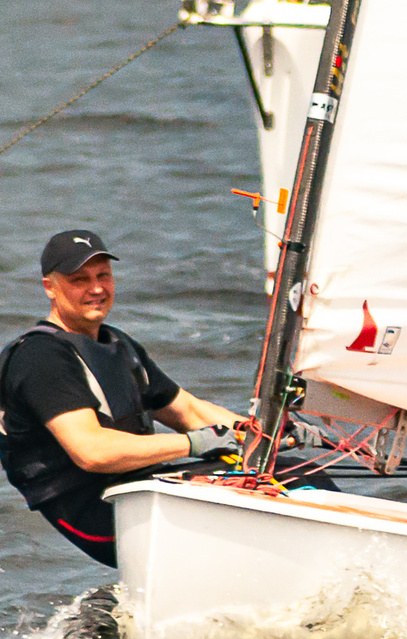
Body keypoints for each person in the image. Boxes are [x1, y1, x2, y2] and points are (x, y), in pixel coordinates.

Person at [0, 231, 251, 566]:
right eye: (80, 280)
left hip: (139, 488)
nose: (96, 289)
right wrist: (194, 444)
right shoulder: (40, 357)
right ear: (50, 287)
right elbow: (92, 452)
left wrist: (262, 433)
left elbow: (189, 410)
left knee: (280, 473)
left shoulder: (117, 344)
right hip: (94, 510)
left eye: (103, 276)